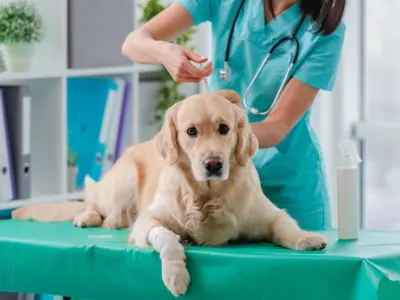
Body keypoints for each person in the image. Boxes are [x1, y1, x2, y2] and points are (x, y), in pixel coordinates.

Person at [121, 0, 347, 231]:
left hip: (288, 183)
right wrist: (165, 52)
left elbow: (278, 126)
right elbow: (133, 44)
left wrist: (226, 132)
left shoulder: (326, 32)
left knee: (300, 259)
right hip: (218, 185)